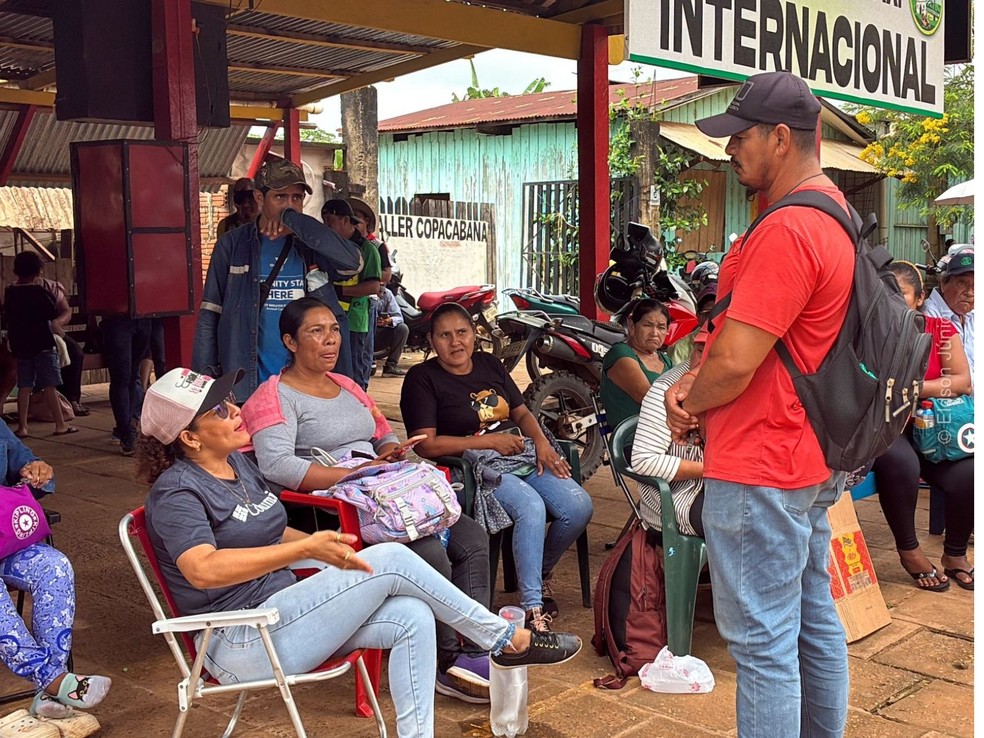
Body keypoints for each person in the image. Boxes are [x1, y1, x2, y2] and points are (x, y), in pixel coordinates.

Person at [137, 366, 581, 738]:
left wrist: (326, 550)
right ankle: (503, 640)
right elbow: (201, 569)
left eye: (229, 399)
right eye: (218, 409)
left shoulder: (236, 465)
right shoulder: (178, 492)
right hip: (239, 641)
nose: (235, 410)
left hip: (283, 616)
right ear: (190, 439)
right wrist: (307, 548)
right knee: (390, 557)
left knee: (412, 615)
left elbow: (267, 533)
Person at [667, 71, 853, 737]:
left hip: (763, 457)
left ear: (780, 138)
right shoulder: (835, 213)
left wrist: (688, 401)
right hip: (809, 452)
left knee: (763, 646)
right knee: (809, 618)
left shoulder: (790, 228)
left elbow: (739, 360)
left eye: (739, 137)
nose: (729, 150)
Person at [241, 297, 495, 702]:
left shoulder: (348, 386)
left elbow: (383, 433)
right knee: (429, 551)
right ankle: (446, 662)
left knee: (472, 537)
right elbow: (278, 467)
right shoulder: (274, 396)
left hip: (382, 494)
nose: (330, 340)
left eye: (334, 330)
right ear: (290, 341)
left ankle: (477, 651)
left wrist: (392, 451)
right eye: (316, 332)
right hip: (332, 510)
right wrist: (352, 474)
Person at [400, 303, 593, 633]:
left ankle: (538, 571)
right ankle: (533, 607)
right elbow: (426, 445)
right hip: (473, 469)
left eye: (462, 332)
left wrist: (543, 444)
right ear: (432, 341)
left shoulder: (489, 364)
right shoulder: (422, 379)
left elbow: (520, 413)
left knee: (578, 506)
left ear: (474, 334)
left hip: (520, 455)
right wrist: (488, 443)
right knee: (530, 507)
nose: (455, 342)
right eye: (444, 335)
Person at [193, 159, 363, 400]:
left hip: (306, 384)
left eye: (297, 198)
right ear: (260, 199)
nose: (290, 205)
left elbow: (351, 263)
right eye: (280, 197)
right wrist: (205, 380)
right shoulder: (232, 245)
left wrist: (297, 222)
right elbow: (210, 313)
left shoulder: (310, 245)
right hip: (248, 384)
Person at [871, 261, 974, 591]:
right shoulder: (868, 335)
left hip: (935, 426)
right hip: (887, 428)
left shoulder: (940, 331)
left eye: (900, 294)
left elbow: (960, 382)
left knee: (971, 471)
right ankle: (910, 551)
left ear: (920, 298)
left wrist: (913, 389)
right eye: (885, 294)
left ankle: (955, 553)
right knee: (901, 462)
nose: (892, 301)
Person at [0, 422, 111, 720]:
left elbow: (24, 460)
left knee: (54, 566)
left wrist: (38, 470)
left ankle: (48, 693)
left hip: (4, 541)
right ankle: (54, 681)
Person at [632, 346, 705, 539]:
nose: (707, 358)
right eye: (700, 350)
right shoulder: (667, 388)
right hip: (682, 496)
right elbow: (644, 461)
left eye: (715, 351)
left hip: (726, 486)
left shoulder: (738, 379)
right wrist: (714, 469)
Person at [2, 252, 76, 439]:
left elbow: (8, 315)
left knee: (25, 385)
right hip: (42, 343)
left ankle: (23, 426)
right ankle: (60, 424)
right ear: (39, 271)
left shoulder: (10, 291)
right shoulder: (40, 291)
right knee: (49, 385)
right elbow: (51, 312)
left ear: (16, 270)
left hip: (21, 345)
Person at [323, 199, 381, 390]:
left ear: (346, 220)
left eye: (330, 221)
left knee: (354, 372)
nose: (326, 227)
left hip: (355, 320)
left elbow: (373, 286)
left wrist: (338, 291)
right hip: (329, 318)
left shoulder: (368, 250)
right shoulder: (327, 247)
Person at [600, 299, 674, 430]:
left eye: (661, 327)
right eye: (647, 325)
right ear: (632, 326)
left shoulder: (665, 360)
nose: (655, 333)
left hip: (666, 436)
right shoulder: (620, 354)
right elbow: (648, 398)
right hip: (632, 441)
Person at [100, 315, 151, 455]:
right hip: (117, 318)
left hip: (143, 316)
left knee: (133, 375)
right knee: (122, 377)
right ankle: (126, 431)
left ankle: (130, 426)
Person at [924, 247, 974, 385]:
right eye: (962, 283)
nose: (970, 292)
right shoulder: (929, 318)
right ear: (943, 283)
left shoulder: (972, 316)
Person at [375, 282, 408, 377]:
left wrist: (388, 321)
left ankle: (391, 365)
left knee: (402, 328)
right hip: (365, 333)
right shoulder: (364, 293)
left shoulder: (387, 294)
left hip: (379, 333)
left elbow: (399, 317)